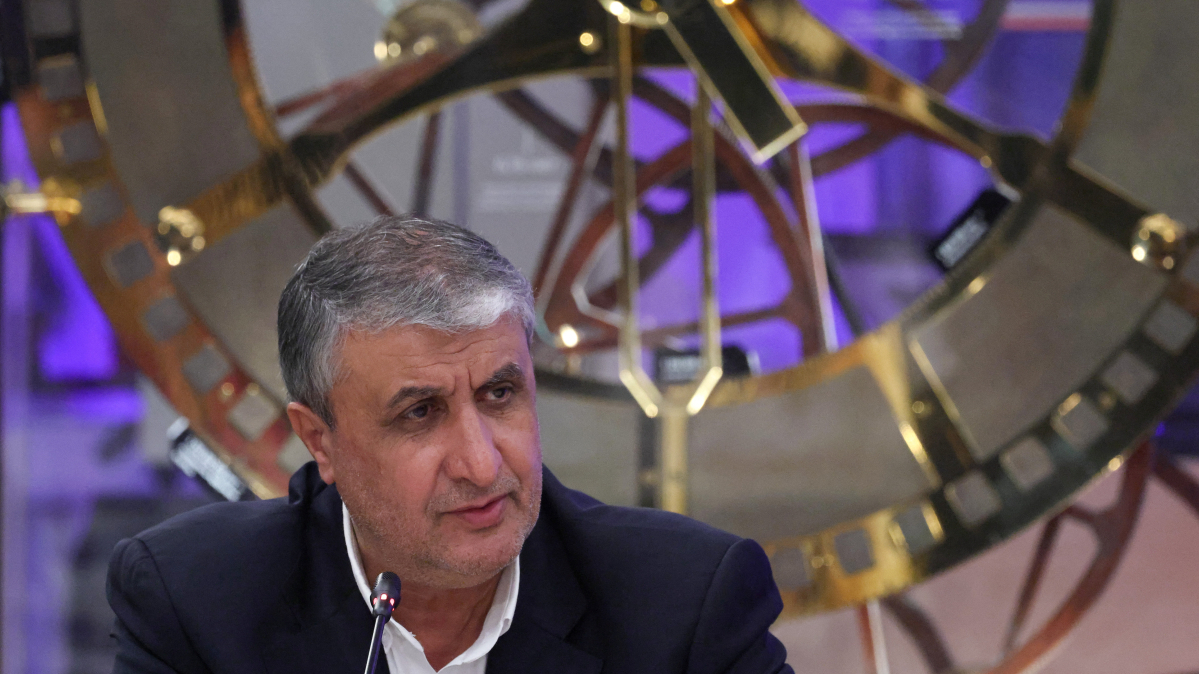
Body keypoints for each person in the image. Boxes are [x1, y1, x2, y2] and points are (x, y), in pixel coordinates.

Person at [106, 216, 792, 674]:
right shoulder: (195, 603)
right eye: (420, 413)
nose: (482, 464)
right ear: (320, 441)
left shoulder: (686, 607)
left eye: (500, 394)